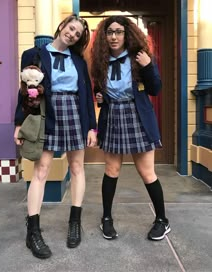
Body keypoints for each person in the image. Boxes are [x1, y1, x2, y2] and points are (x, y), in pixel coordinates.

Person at [14, 14, 97, 259]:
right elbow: (24, 91)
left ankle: (74, 222)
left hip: (74, 113)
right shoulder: (34, 54)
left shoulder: (79, 61)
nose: (72, 34)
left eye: (77, 34)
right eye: (71, 28)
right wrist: (19, 123)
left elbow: (86, 94)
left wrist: (91, 127)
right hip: (47, 114)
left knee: (77, 167)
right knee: (41, 170)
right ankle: (33, 231)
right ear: (62, 26)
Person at [90, 16, 171, 242]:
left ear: (127, 34)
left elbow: (155, 89)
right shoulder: (100, 61)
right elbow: (100, 91)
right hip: (113, 116)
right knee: (111, 170)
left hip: (137, 117)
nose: (114, 36)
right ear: (104, 36)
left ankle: (162, 220)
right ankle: (106, 218)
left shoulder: (139, 58)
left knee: (147, 173)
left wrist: (148, 66)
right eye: (109, 32)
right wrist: (100, 97)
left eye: (119, 32)